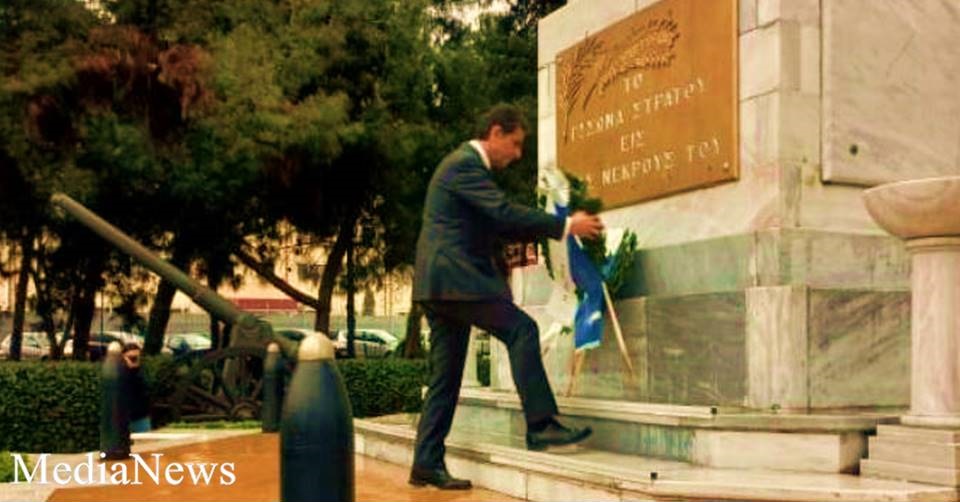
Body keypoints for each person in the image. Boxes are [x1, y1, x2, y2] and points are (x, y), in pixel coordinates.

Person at [409, 104, 605, 490]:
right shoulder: (465, 165)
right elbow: (501, 213)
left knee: (445, 379)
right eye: (514, 144)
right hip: (456, 280)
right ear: (495, 132)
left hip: (442, 285)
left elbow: (498, 224)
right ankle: (541, 424)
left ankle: (425, 462)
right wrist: (566, 225)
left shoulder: (462, 168)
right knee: (521, 329)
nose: (517, 154)